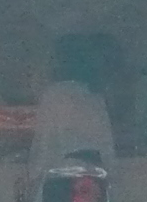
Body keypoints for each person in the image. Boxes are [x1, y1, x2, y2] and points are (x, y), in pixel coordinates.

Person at [27, 31, 118, 189]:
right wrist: (110, 174)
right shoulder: (95, 94)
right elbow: (106, 143)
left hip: (63, 177)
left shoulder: (55, 94)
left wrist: (34, 175)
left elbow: (45, 142)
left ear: (60, 61)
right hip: (95, 176)